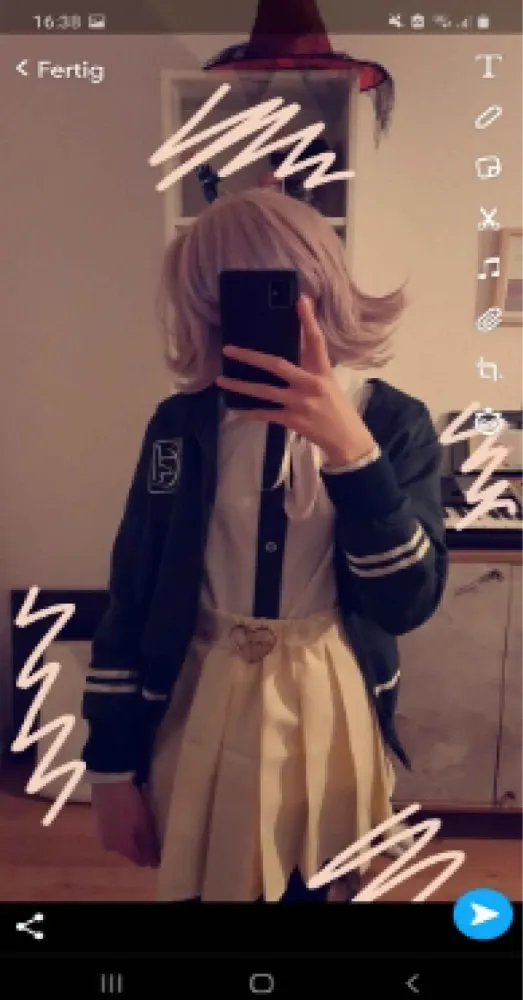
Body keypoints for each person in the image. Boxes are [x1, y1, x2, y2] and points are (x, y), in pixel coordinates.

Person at [82, 188, 448, 902]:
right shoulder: (178, 429)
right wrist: (109, 770)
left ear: (323, 286)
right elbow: (133, 595)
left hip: (330, 700)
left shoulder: (393, 424)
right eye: (224, 297)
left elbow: (406, 603)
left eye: (279, 291)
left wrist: (353, 455)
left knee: (315, 886)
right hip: (196, 699)